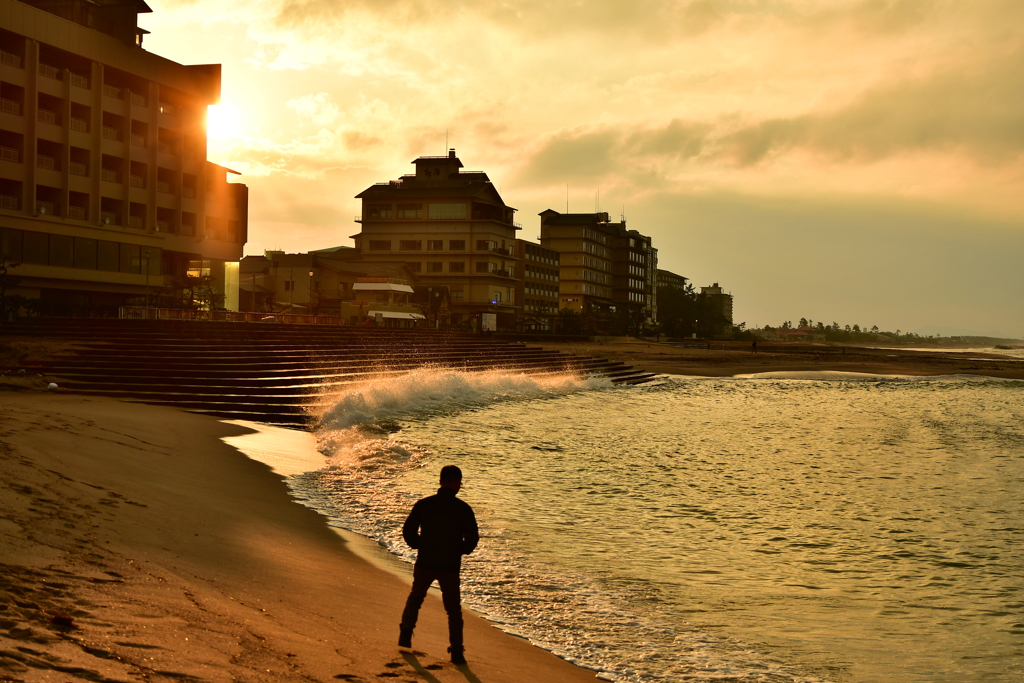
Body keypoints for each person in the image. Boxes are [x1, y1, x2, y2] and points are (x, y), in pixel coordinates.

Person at [398, 465, 479, 664]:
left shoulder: (425, 504)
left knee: (416, 597)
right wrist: (459, 550)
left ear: (441, 481)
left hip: (426, 561)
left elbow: (408, 531)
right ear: (457, 483)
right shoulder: (463, 509)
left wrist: (420, 545)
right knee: (453, 610)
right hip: (450, 566)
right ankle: (457, 652)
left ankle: (405, 636)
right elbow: (472, 540)